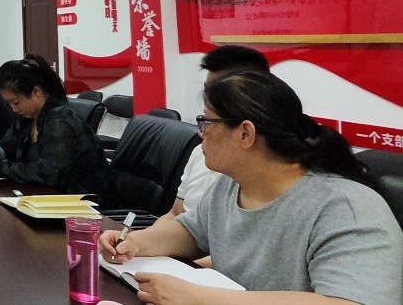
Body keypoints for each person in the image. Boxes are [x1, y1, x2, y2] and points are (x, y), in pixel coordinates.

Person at [100, 70, 402, 304]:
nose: (200, 133)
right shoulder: (231, 185)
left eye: (207, 122)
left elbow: (348, 302)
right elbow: (191, 232)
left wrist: (201, 298)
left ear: (245, 133)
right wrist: (136, 242)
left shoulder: (346, 208)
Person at [156, 45, 272, 228]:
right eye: (207, 90)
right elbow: (176, 214)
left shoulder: (257, 173)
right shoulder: (201, 152)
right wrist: (136, 240)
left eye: (219, 91)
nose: (208, 98)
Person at [0, 55, 109, 196]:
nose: (14, 109)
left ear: (37, 92)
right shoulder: (27, 117)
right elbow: (7, 144)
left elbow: (48, 172)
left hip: (84, 203)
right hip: (44, 196)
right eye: (10, 103)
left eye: (16, 102)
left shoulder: (61, 120)